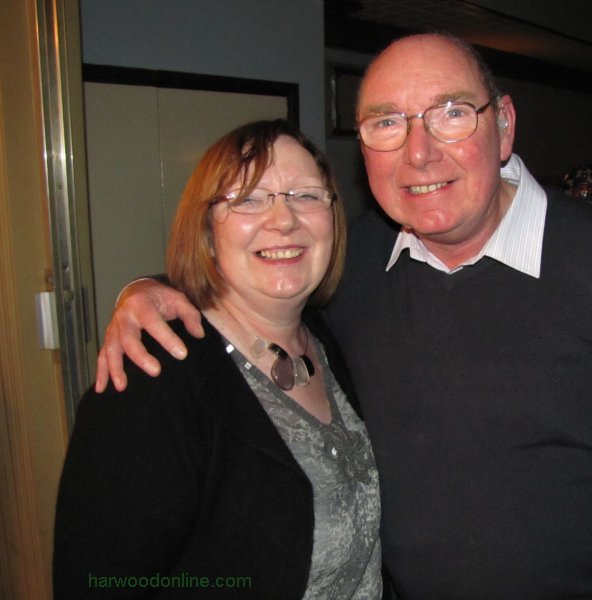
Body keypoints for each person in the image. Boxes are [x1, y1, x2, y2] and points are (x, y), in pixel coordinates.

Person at [94, 34, 592, 599]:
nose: (419, 153)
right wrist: (148, 291)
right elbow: (258, 275)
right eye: (387, 122)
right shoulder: (355, 265)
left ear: (504, 126)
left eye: (452, 113)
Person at [53, 120, 381, 599]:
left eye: (306, 195)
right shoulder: (151, 381)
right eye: (248, 199)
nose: (284, 220)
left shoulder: (332, 338)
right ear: (206, 232)